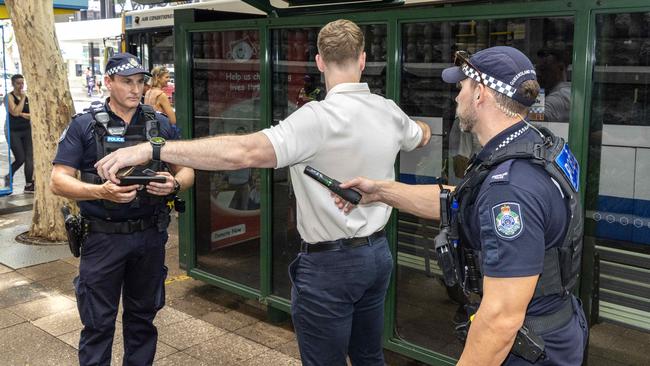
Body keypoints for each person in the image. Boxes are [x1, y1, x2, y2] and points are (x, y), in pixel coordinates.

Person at [94, 19, 431, 366]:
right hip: (377, 256)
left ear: (318, 61)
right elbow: (421, 135)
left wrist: (154, 150)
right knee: (368, 356)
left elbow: (241, 153)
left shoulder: (316, 118)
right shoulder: (388, 111)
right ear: (362, 60)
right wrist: (417, 127)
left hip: (330, 267)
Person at [334, 47, 587, 365]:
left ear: (480, 93)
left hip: (527, 349)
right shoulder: (531, 147)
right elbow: (462, 199)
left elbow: (500, 320)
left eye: (461, 86)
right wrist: (381, 191)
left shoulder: (509, 190)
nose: (457, 96)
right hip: (553, 331)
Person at [50, 53, 194, 366]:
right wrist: (100, 191)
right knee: (98, 324)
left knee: (143, 320)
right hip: (102, 240)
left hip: (150, 237)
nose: (135, 88)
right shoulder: (85, 125)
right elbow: (58, 181)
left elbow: (187, 171)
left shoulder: (158, 124)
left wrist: (175, 184)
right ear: (108, 82)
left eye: (140, 82)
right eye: (127, 81)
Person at [6, 74, 34, 192]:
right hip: (13, 131)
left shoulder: (28, 97)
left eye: (22, 83)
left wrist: (23, 114)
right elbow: (15, 112)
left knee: (29, 158)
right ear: (13, 84)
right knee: (20, 158)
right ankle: (9, 176)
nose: (21, 86)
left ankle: (28, 184)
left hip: (26, 130)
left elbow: (33, 114)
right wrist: (22, 99)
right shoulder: (9, 97)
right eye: (18, 83)